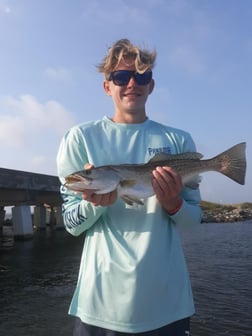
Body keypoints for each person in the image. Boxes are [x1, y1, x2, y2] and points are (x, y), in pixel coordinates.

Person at [57, 38, 202, 336]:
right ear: (107, 86)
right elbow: (71, 224)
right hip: (99, 306)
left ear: (151, 85)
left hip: (167, 304)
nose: (132, 83)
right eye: (121, 77)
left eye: (142, 76)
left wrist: (174, 203)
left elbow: (193, 221)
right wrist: (92, 203)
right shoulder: (79, 138)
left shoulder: (179, 140)